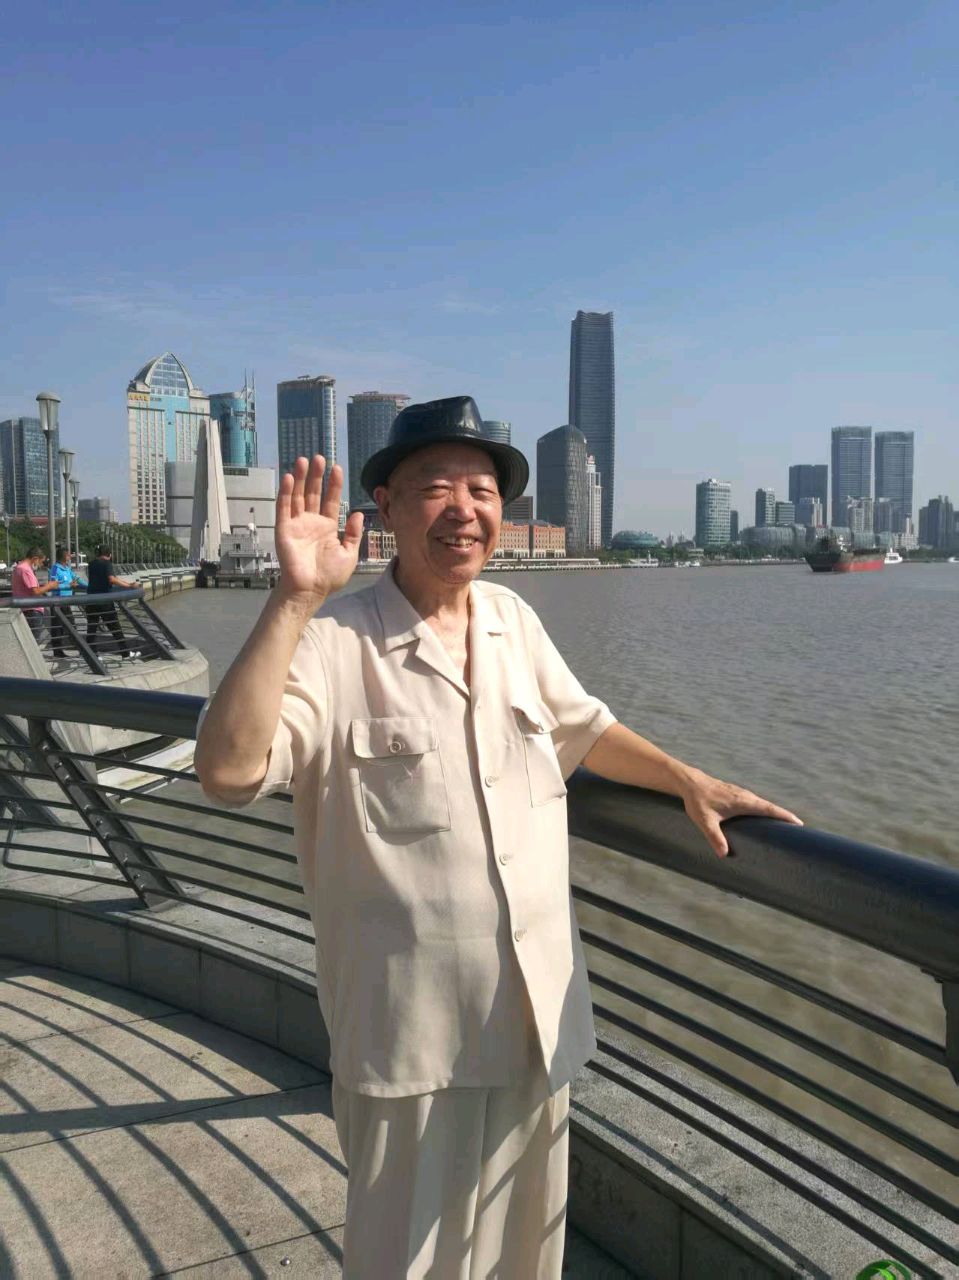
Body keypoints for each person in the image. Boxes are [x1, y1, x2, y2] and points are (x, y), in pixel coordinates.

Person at [195, 396, 802, 1279]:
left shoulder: (511, 619)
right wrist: (293, 598)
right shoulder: (331, 641)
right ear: (384, 507)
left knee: (526, 1254)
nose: (464, 510)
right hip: (411, 1031)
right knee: (405, 1261)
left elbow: (582, 728)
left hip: (532, 1014)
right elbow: (229, 772)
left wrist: (685, 779)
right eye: (434, 488)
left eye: (481, 491)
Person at [85, 544, 138, 658]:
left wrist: (128, 585)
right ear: (109, 554)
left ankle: (91, 654)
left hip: (91, 600)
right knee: (115, 627)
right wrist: (129, 586)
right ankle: (125, 653)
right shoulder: (107, 563)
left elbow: (101, 579)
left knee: (92, 628)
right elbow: (112, 579)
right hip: (104, 601)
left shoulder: (91, 564)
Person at [11, 547, 59, 643]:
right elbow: (35, 591)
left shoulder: (19, 568)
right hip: (32, 610)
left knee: (28, 641)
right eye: (41, 561)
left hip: (25, 609)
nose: (41, 564)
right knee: (33, 642)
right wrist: (50, 585)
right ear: (35, 558)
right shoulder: (25, 569)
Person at [48, 546, 88, 658]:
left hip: (66, 603)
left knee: (71, 627)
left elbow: (77, 579)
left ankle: (80, 649)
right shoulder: (55, 569)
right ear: (64, 556)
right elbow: (52, 585)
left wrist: (90, 587)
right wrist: (68, 585)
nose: (70, 556)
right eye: (69, 554)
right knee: (58, 628)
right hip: (57, 603)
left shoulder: (67, 569)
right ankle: (58, 652)